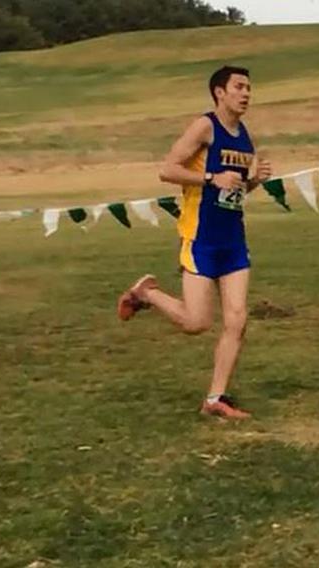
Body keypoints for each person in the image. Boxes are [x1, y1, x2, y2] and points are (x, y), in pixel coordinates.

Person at [117, 66, 273, 419]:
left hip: (233, 238)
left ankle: (216, 398)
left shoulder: (243, 136)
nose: (246, 94)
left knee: (237, 319)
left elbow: (233, 189)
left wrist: (255, 181)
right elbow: (167, 169)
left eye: (249, 87)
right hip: (200, 236)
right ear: (220, 92)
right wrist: (210, 177)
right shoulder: (205, 127)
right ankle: (147, 293)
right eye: (239, 87)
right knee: (196, 322)